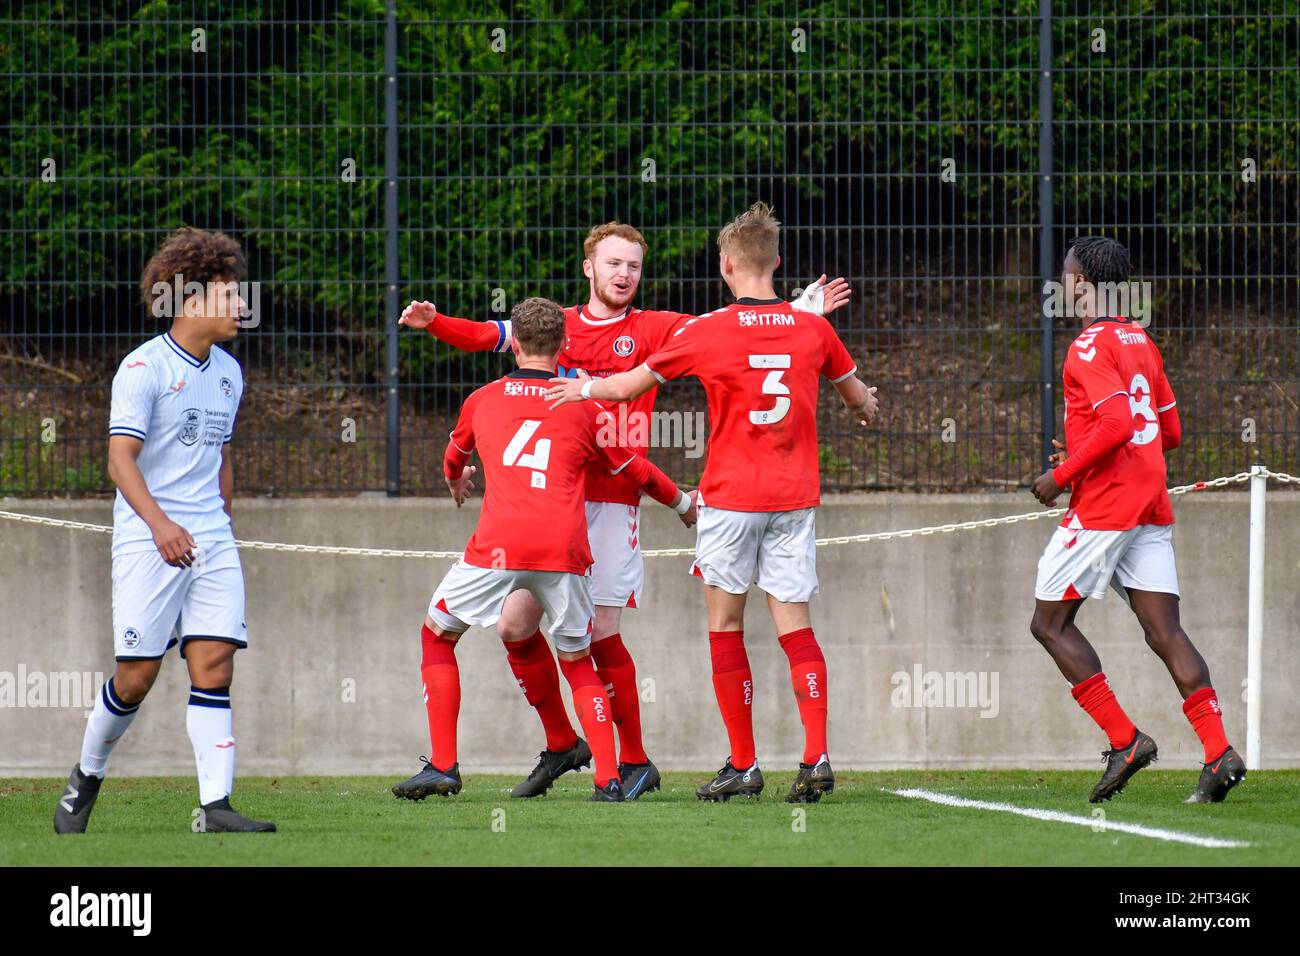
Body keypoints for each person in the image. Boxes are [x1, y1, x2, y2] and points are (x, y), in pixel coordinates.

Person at [399, 221, 849, 800]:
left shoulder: (655, 328)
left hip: (615, 499)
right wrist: (434, 323)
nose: (624, 274)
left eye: (634, 266)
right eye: (613, 263)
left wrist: (801, 307)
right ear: (589, 267)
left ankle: (634, 762)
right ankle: (565, 743)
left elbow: (743, 331)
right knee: (514, 626)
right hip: (551, 501)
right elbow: (484, 334)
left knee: (600, 632)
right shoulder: (555, 327)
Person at [546, 203, 878, 802]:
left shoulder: (708, 330)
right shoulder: (815, 329)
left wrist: (581, 387)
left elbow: (625, 386)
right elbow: (857, 398)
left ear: (726, 265)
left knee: (726, 628)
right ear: (776, 261)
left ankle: (746, 766)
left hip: (729, 502)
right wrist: (865, 405)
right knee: (796, 630)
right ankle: (816, 755)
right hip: (794, 500)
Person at [391, 297, 697, 803]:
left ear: (512, 343)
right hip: (565, 551)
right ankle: (606, 778)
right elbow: (636, 470)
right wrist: (685, 503)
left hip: (497, 550)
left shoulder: (482, 399)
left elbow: (452, 459)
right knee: (577, 659)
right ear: (562, 348)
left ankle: (444, 765)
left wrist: (457, 482)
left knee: (438, 635)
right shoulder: (586, 405)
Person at [55, 227, 274, 834]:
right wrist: (160, 526)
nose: (240, 307)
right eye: (231, 296)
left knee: (215, 665)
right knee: (137, 676)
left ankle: (215, 808)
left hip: (210, 540)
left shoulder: (230, 373)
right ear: (191, 301)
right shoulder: (143, 368)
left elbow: (222, 455)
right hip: (150, 540)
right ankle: (87, 775)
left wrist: (221, 520)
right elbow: (119, 460)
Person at [1028, 235, 1244, 804]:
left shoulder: (1088, 346)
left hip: (1106, 507)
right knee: (1164, 631)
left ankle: (1125, 741)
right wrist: (1081, 450)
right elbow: (1167, 432)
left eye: (1065, 274)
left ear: (1080, 282)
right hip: (1148, 502)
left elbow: (1119, 423)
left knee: (1048, 624)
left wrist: (1062, 475)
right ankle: (1219, 753)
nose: (1061, 283)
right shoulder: (1141, 340)